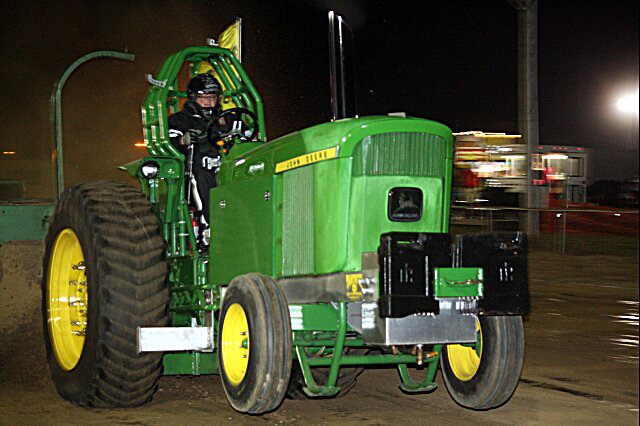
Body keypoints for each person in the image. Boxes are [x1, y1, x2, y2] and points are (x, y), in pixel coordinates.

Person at [168, 73, 225, 250]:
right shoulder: (179, 120)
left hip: (227, 165)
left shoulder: (227, 118)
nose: (210, 103)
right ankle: (208, 225)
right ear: (193, 98)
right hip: (196, 168)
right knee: (198, 176)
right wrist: (183, 140)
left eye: (213, 98)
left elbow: (247, 135)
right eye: (204, 98)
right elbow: (170, 143)